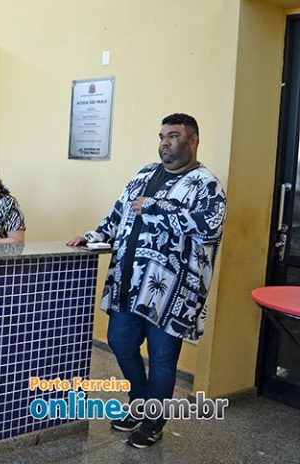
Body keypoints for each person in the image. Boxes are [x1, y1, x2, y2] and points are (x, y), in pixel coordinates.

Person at [66, 113, 226, 448]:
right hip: (129, 283)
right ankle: (140, 403)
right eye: (162, 136)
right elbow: (118, 214)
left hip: (174, 294)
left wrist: (156, 206)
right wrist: (92, 236)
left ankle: (154, 422)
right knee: (120, 343)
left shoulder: (206, 184)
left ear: (193, 140)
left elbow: (209, 228)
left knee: (162, 359)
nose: (165, 143)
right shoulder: (144, 174)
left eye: (173, 136)